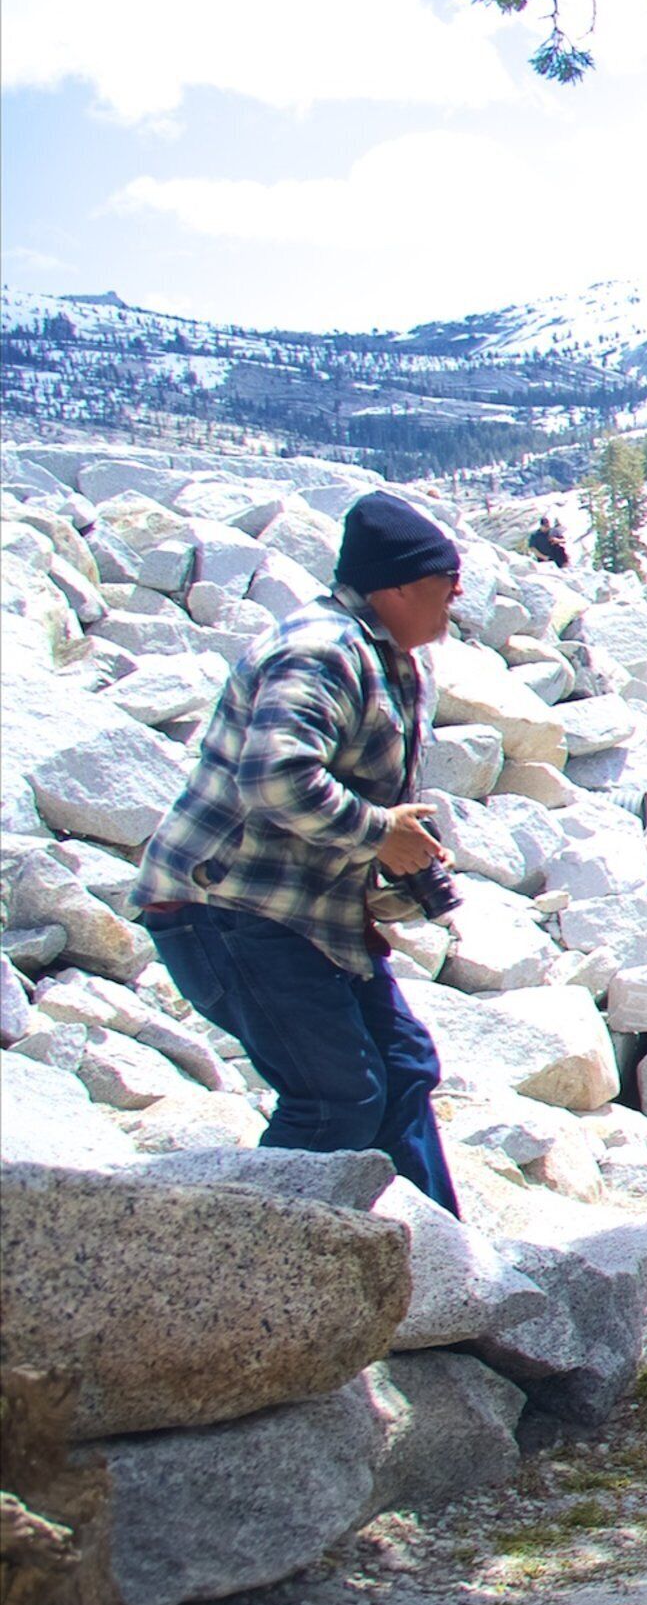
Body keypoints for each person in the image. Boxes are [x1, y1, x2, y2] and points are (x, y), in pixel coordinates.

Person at [135, 490, 465, 1213]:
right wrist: (381, 833)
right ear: (397, 586)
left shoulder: (389, 657)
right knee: (335, 1097)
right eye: (445, 582)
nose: (457, 597)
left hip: (302, 914)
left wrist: (389, 868)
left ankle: (442, 1274)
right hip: (224, 910)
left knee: (405, 1066)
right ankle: (249, 1280)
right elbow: (276, 778)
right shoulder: (320, 650)